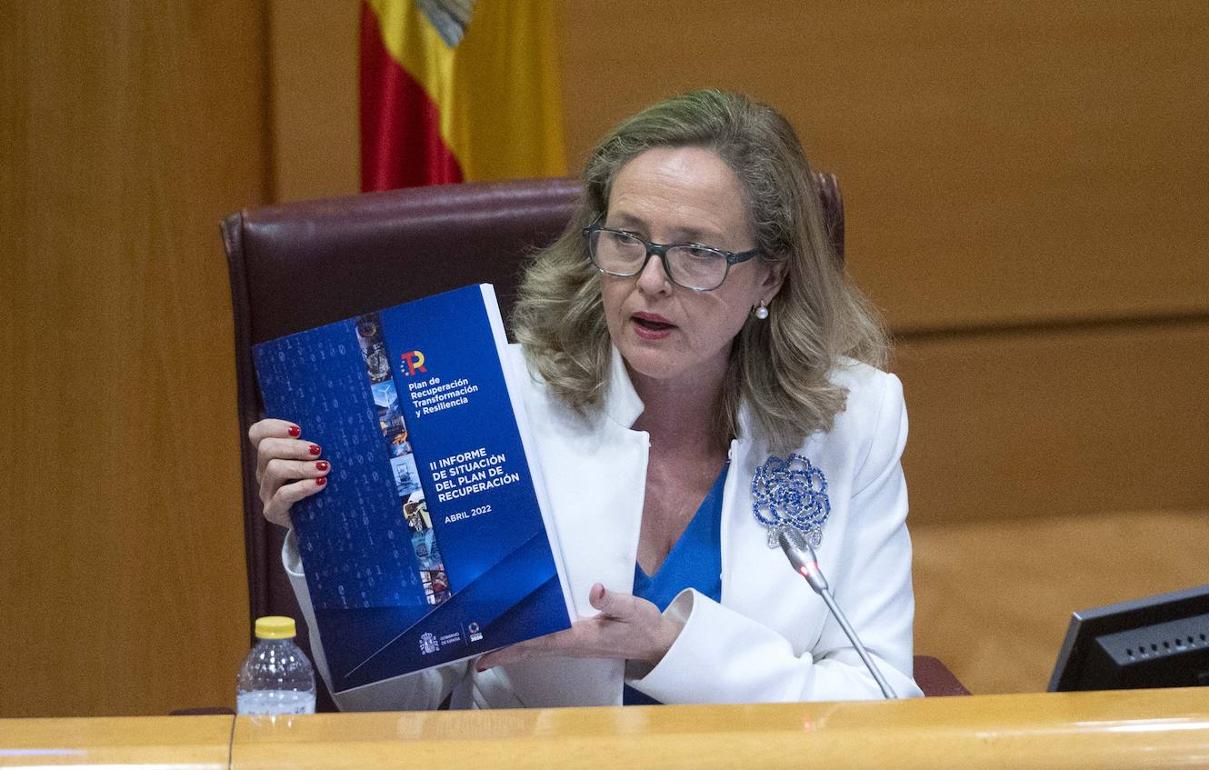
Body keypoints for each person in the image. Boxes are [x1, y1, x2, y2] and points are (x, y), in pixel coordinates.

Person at [249, 89, 923, 709]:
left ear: (769, 277)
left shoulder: (852, 418)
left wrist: (664, 648)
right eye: (627, 238)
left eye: (696, 252)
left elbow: (882, 700)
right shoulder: (489, 402)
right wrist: (334, 540)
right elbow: (397, 710)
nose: (651, 280)